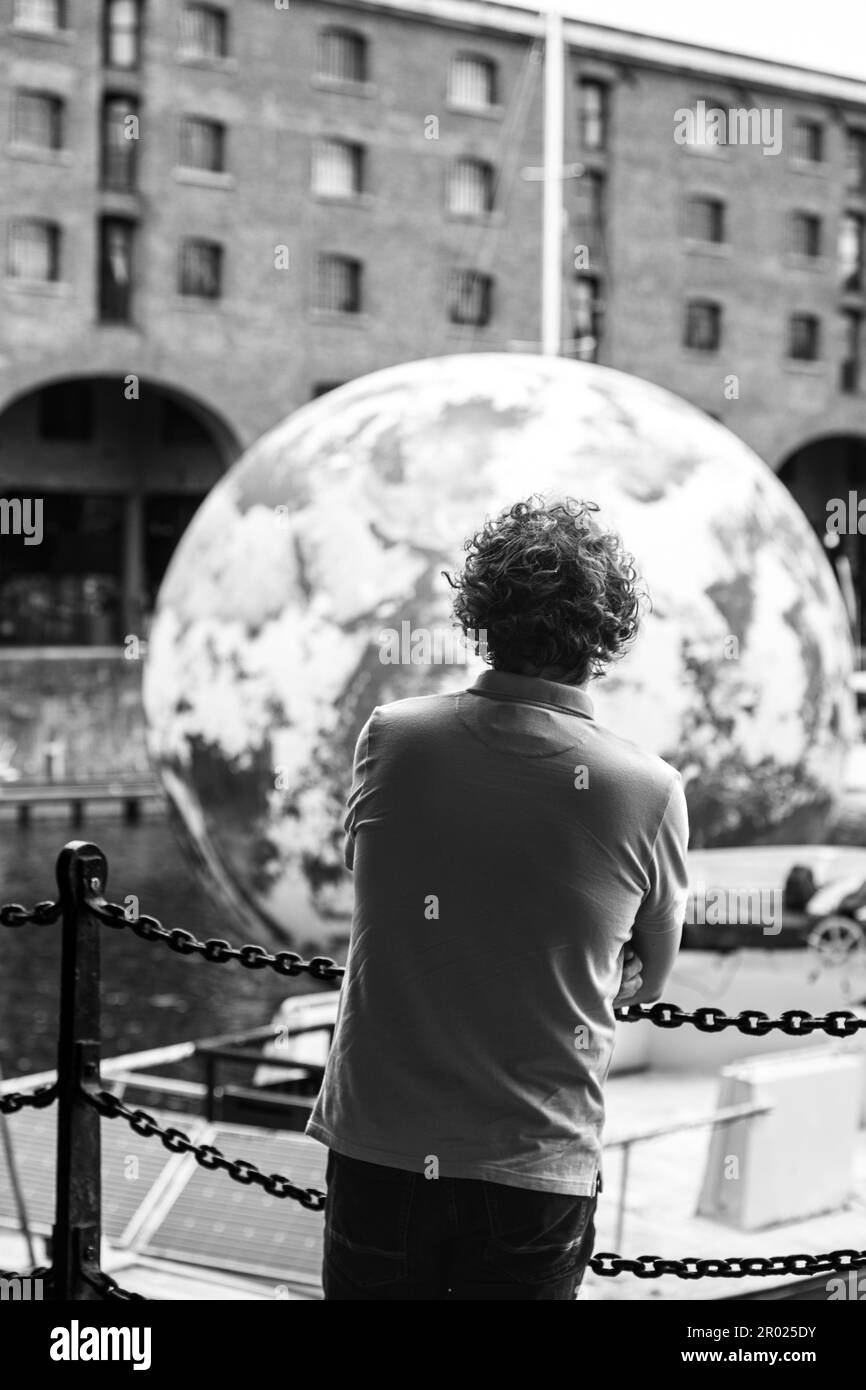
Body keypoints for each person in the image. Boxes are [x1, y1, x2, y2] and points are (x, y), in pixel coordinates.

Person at [307, 496, 689, 1300]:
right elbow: (650, 977)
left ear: (482, 614)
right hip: (535, 1164)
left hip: (381, 1146)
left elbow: (367, 868)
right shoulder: (649, 789)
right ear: (607, 634)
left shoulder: (393, 736)